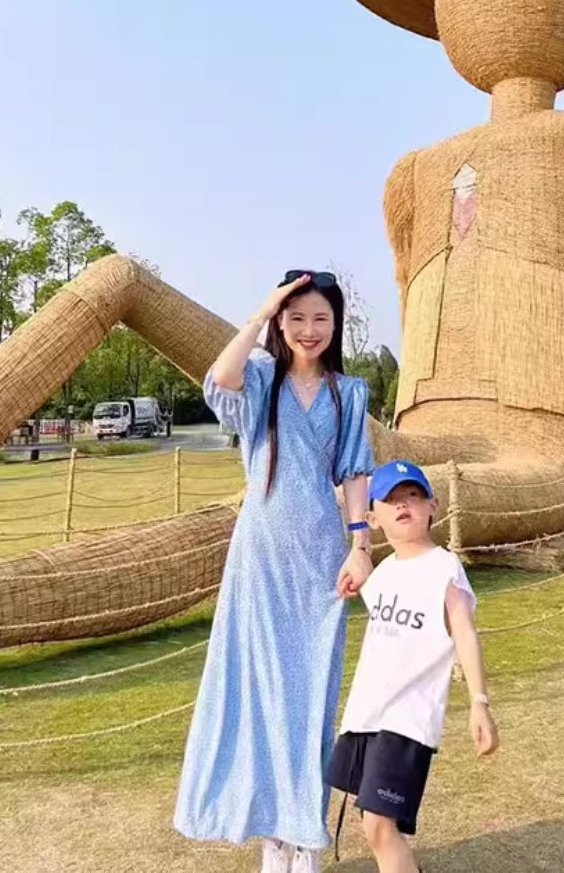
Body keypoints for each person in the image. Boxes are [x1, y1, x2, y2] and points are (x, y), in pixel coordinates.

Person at [174, 270, 376, 873]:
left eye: (320, 318)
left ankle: (304, 837)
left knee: (312, 696)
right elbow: (220, 379)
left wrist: (360, 546)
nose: (309, 330)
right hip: (258, 560)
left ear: (335, 324)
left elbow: (356, 472)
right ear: (280, 323)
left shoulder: (350, 391)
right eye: (296, 317)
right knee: (259, 693)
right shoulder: (261, 377)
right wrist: (261, 312)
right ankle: (272, 836)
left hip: (319, 559)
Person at [327, 460, 499, 873]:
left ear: (432, 505)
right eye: (391, 499)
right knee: (373, 822)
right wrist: (356, 571)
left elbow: (464, 632)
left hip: (408, 720)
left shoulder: (444, 567)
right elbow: (362, 588)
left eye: (413, 495)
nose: (404, 505)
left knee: (380, 827)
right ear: (374, 516)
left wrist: (479, 702)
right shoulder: (384, 572)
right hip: (367, 715)